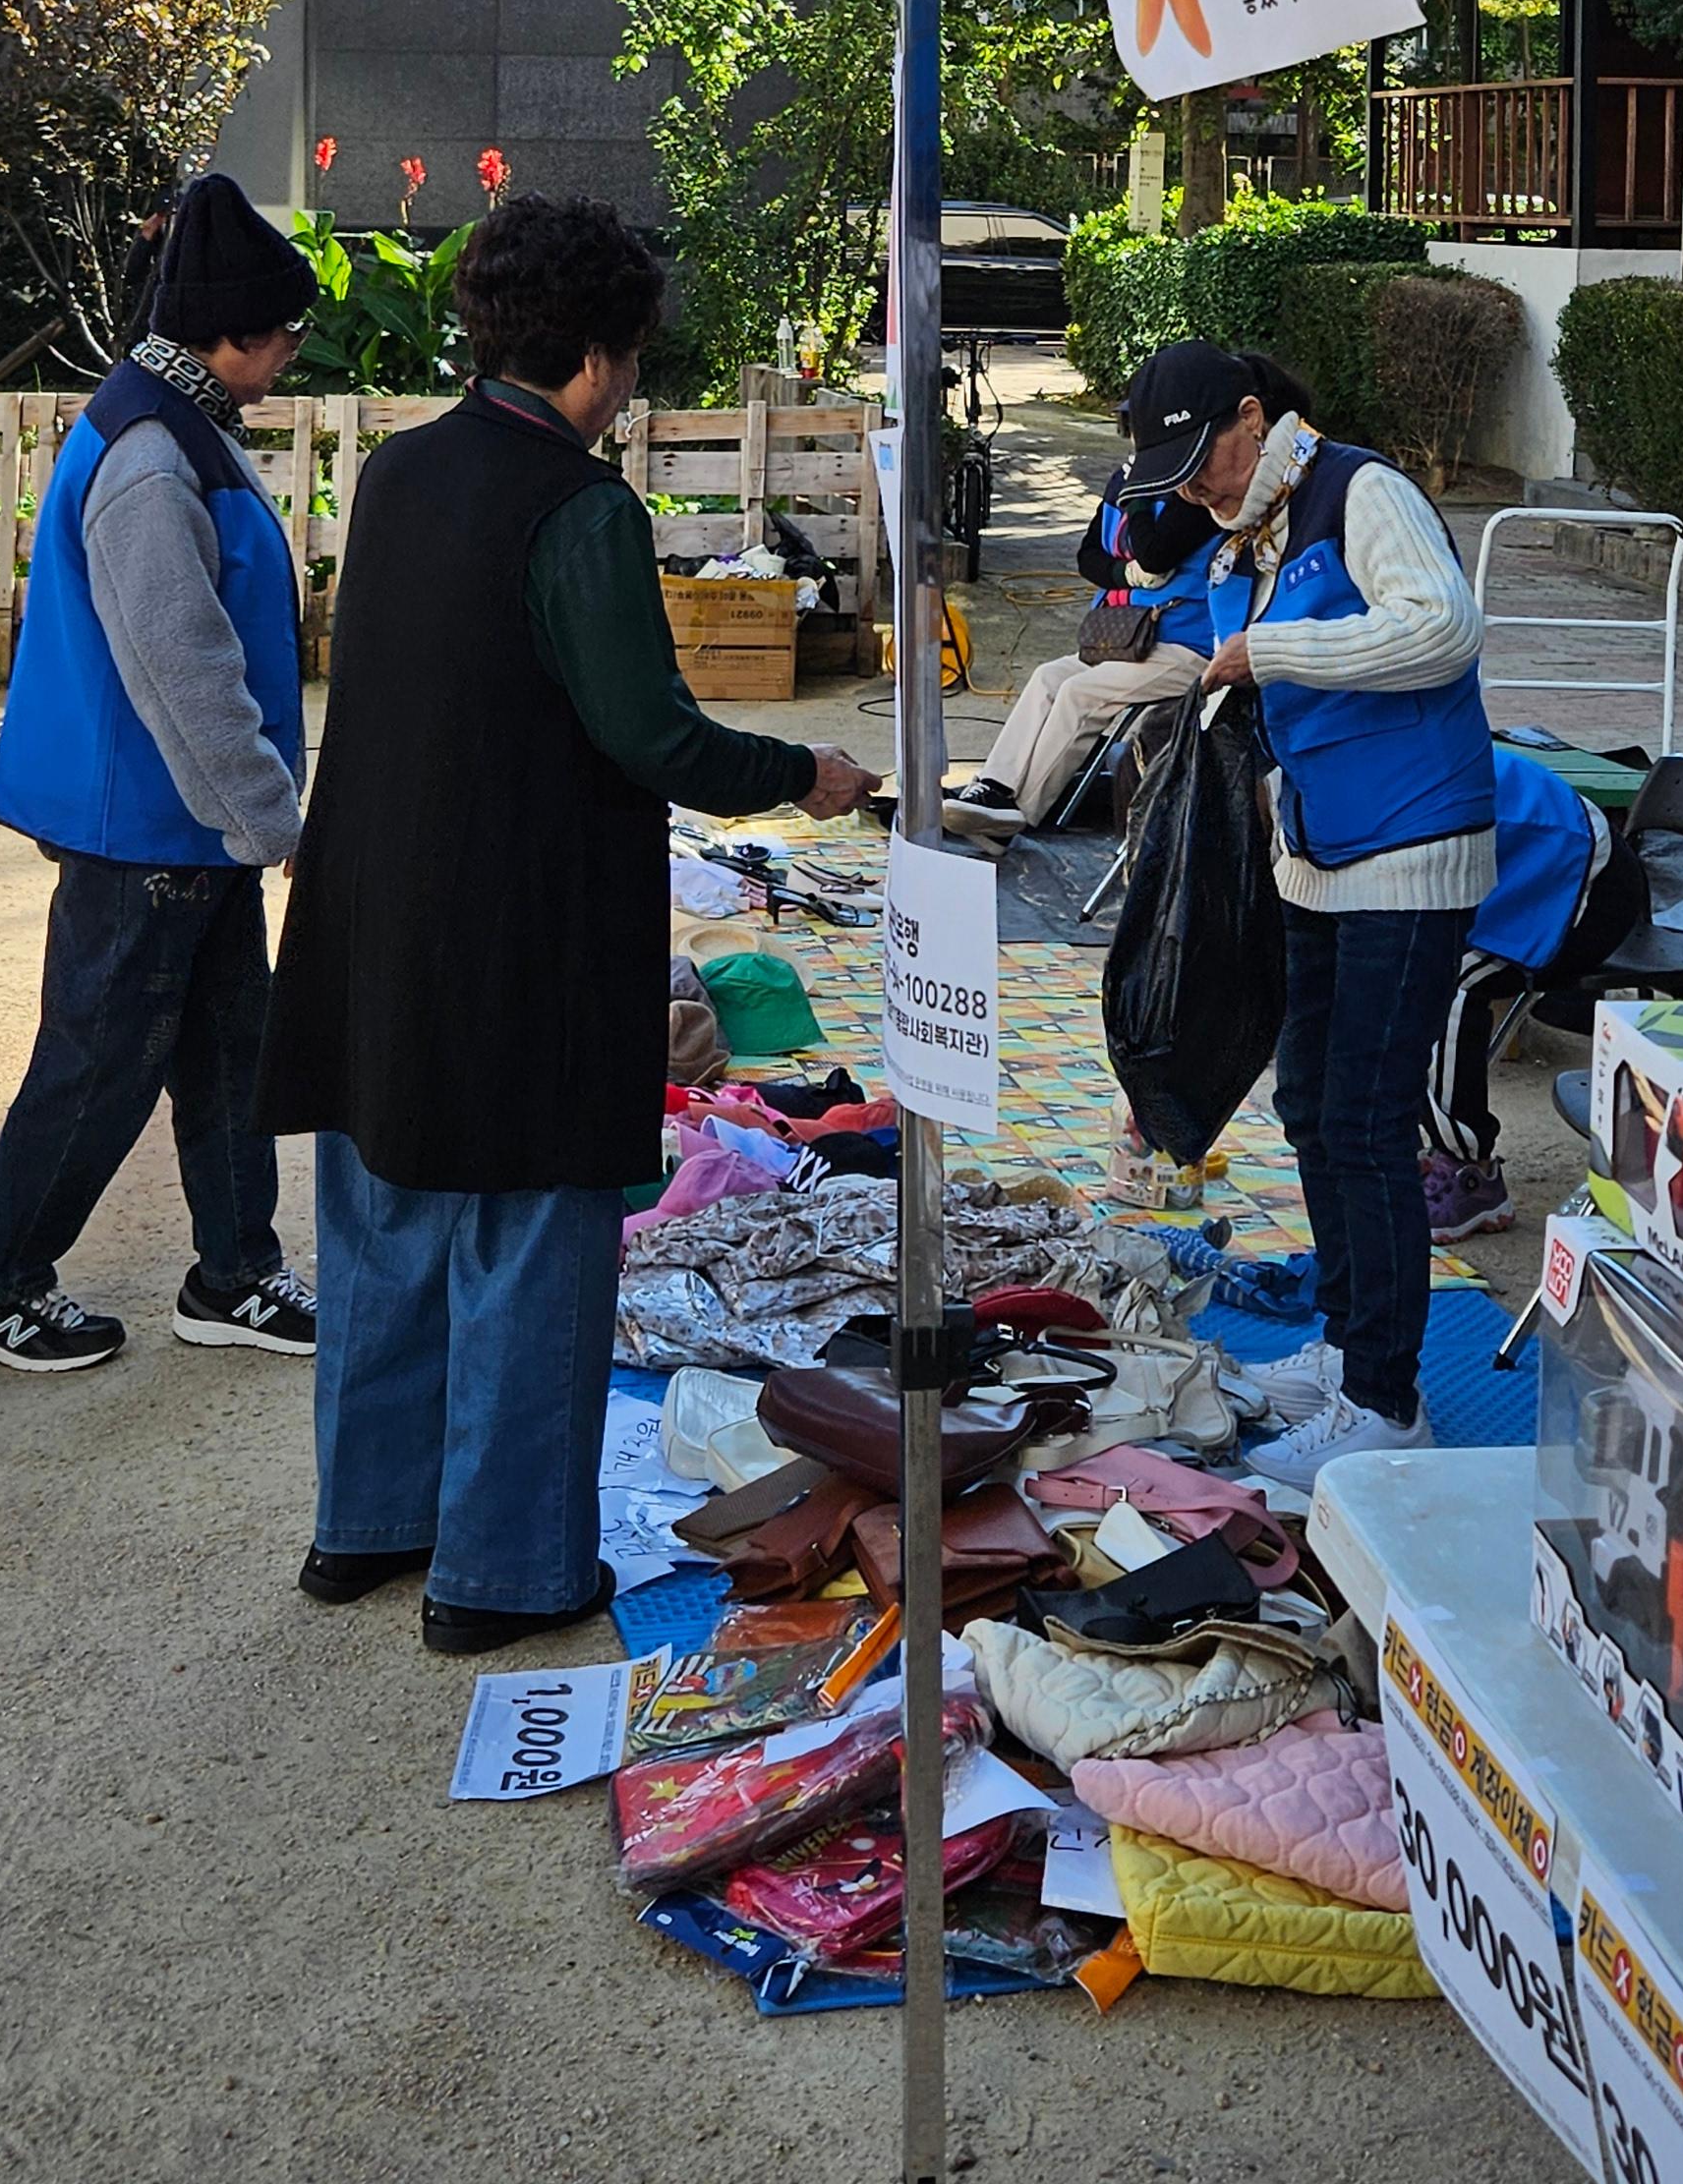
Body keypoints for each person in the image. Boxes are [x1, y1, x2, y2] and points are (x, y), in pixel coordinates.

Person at [256, 196, 876, 1656]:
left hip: (377, 909)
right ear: (599, 356)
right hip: (523, 925)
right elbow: (654, 736)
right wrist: (806, 771)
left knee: (385, 1211)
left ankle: (369, 1523)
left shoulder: (399, 471)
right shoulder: (583, 509)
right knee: (533, 1241)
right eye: (634, 355)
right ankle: (504, 1570)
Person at [0, 172, 319, 1372]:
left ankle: (235, 1271)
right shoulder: (154, 452)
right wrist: (272, 821)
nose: (292, 353)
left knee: (228, 1052)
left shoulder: (171, 416)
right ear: (231, 332)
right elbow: (182, 663)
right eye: (285, 333)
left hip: (181, 824)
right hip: (145, 826)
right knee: (98, 1064)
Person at [1119, 336, 1497, 1483]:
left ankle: (1387, 1400)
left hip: (1413, 851)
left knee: (1369, 1123)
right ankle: (1343, 1341)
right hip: (1319, 851)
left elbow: (1444, 628)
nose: (1198, 486)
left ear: (1255, 416)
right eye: (1178, 475)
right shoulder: (1249, 526)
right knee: (1311, 1110)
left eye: (1207, 457)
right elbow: (1149, 570)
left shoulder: (1361, 490)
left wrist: (1271, 649)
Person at [941, 451, 1216, 842]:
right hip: (1126, 638)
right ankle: (993, 787)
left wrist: (1138, 495)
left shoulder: (1191, 482)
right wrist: (1124, 573)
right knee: (1047, 678)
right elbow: (1088, 557)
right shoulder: (1123, 478)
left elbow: (1154, 554)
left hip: (1190, 645)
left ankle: (1017, 816)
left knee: (1079, 694)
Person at [1420, 737, 1616, 1241]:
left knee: (1452, 986)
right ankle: (1415, 1135)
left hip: (1577, 875)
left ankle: (1469, 1167)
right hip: (1512, 858)